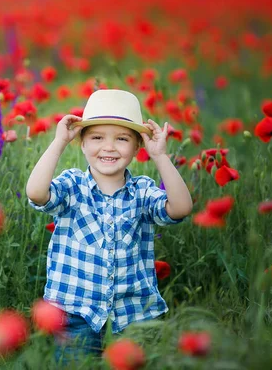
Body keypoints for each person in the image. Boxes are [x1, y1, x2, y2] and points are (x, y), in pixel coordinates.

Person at [25, 89, 193, 367]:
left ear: (138, 146)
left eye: (122, 139)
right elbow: (36, 193)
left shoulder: (142, 191)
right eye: (97, 137)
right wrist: (58, 143)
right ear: (81, 142)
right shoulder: (72, 186)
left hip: (133, 317)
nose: (109, 147)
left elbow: (180, 208)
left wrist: (160, 156)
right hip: (75, 315)